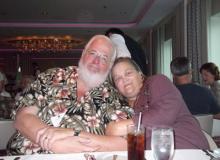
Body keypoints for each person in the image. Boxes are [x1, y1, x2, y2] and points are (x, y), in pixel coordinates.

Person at [7, 35, 133, 155]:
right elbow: (22, 117)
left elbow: (127, 143)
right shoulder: (52, 77)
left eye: (104, 58)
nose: (96, 61)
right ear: (83, 53)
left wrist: (73, 134)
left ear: (110, 66)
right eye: (93, 53)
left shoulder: (112, 97)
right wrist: (54, 144)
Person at [108, 57, 209, 149]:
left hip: (184, 148)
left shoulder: (156, 82)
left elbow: (164, 115)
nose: (124, 79)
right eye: (118, 78)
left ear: (140, 74)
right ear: (116, 87)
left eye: (128, 73)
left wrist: (122, 127)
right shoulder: (122, 108)